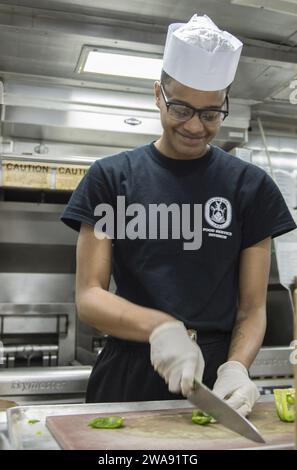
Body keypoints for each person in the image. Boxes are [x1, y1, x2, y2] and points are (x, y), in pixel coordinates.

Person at [61, 14, 296, 416]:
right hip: (129, 371)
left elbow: (252, 307)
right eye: (181, 108)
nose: (194, 126)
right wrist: (161, 328)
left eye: (210, 114)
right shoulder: (112, 178)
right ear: (158, 94)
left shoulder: (250, 188)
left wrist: (236, 367)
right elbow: (90, 295)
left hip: (215, 377)